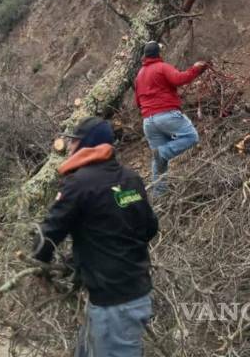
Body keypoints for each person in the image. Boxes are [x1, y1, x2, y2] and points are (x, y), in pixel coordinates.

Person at [32, 116, 158, 357]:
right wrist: (81, 259)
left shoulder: (79, 184)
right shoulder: (131, 179)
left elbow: (49, 233)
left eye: (73, 143)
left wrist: (39, 260)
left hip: (113, 306)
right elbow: (149, 227)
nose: (69, 148)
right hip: (136, 292)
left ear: (86, 144)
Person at [134, 41, 206, 196]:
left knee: (159, 161)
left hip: (148, 122)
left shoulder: (139, 75)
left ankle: (159, 194)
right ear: (158, 54)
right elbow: (179, 79)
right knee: (191, 136)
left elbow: (138, 102)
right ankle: (164, 152)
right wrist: (196, 69)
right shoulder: (162, 67)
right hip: (166, 115)